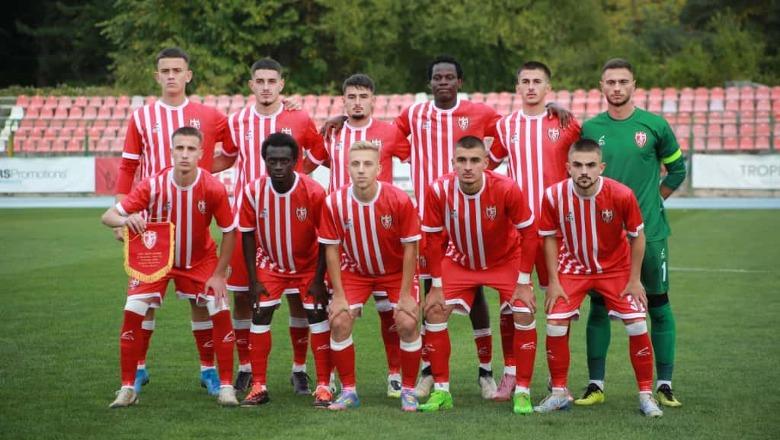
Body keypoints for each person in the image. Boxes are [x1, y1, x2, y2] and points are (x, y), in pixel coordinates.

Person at [115, 47, 233, 396]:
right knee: (145, 300)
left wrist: (204, 177)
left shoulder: (209, 115)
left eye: (176, 70)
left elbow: (234, 149)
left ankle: (209, 371)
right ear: (157, 76)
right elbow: (127, 167)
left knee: (200, 300)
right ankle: (137, 370)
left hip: (193, 214)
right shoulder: (142, 116)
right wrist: (124, 215)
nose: (170, 76)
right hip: (148, 224)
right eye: (164, 70)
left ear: (188, 75)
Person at [102, 126, 238, 408]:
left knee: (220, 307)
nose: (185, 154)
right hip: (156, 261)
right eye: (180, 148)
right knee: (133, 309)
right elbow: (108, 216)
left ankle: (226, 385)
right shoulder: (153, 185)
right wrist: (125, 221)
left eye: (191, 149)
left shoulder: (213, 187)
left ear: (201, 153)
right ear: (171, 151)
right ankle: (127, 388)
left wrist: (219, 274)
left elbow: (229, 230)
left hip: (200, 260)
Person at [577, 58, 686, 407]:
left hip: (649, 233)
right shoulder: (591, 128)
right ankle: (595, 384)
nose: (617, 88)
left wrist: (654, 202)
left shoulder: (654, 125)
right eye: (610, 82)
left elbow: (677, 170)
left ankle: (664, 383)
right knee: (598, 306)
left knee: (657, 304)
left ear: (634, 85)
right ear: (601, 87)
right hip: (603, 236)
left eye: (623, 82)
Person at [222, 57, 329, 393]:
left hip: (292, 223)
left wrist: (298, 185)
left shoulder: (298, 116)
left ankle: (299, 369)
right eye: (260, 81)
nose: (266, 87)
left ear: (282, 84)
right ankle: (246, 367)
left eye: (272, 80)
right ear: (251, 85)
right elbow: (226, 156)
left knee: (301, 297)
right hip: (247, 223)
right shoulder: (236, 121)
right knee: (242, 297)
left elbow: (318, 152)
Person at [535, 138, 663, 417]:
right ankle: (558, 392)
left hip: (616, 270)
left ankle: (645, 395)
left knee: (637, 324)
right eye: (578, 165)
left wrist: (635, 279)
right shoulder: (553, 195)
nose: (584, 171)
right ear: (568, 167)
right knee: (555, 323)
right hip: (572, 269)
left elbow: (637, 236)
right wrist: (554, 281)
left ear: (601, 167)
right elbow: (548, 239)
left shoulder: (621, 194)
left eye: (591, 165)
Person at [418, 136, 539, 414]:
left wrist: (523, 282)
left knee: (523, 311)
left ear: (486, 162)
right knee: (435, 311)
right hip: (461, 261)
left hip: (505, 260)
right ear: (453, 163)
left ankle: (522, 391)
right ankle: (441, 391)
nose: (468, 167)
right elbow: (433, 240)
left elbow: (530, 234)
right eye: (461, 160)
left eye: (474, 160)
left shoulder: (506, 188)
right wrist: (435, 285)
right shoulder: (438, 189)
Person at [488, 61, 581, 400]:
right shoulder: (505, 126)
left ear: (548, 88)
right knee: (512, 307)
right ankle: (511, 374)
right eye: (524, 81)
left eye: (537, 81)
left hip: (557, 232)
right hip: (515, 231)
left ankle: (558, 381)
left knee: (558, 306)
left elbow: (586, 161)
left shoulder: (566, 124)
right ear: (517, 87)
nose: (530, 87)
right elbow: (488, 165)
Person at [322, 73, 413, 397]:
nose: (357, 101)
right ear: (342, 100)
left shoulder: (389, 133)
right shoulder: (331, 133)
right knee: (334, 310)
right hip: (342, 234)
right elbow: (311, 160)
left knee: (391, 313)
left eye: (363, 96)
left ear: (374, 99)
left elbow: (417, 155)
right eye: (351, 96)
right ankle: (330, 376)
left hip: (385, 234)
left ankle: (395, 374)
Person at [318, 141, 423, 411]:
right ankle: (349, 391)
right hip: (356, 271)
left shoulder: (399, 199)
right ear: (347, 168)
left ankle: (409, 390)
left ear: (379, 168)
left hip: (396, 271)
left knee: (407, 322)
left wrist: (404, 297)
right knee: (339, 321)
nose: (361, 170)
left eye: (367, 164)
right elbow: (331, 250)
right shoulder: (334, 202)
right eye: (355, 164)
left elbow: (411, 248)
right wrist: (339, 296)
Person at [236, 132, 333, 408]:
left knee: (316, 314)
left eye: (284, 161)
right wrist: (253, 280)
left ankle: (324, 386)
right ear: (264, 161)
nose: (278, 166)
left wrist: (318, 279)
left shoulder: (313, 191)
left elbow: (326, 238)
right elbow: (247, 234)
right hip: (270, 264)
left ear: (295, 162)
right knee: (260, 313)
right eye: (272, 161)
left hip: (308, 266)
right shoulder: (253, 191)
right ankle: (258, 386)